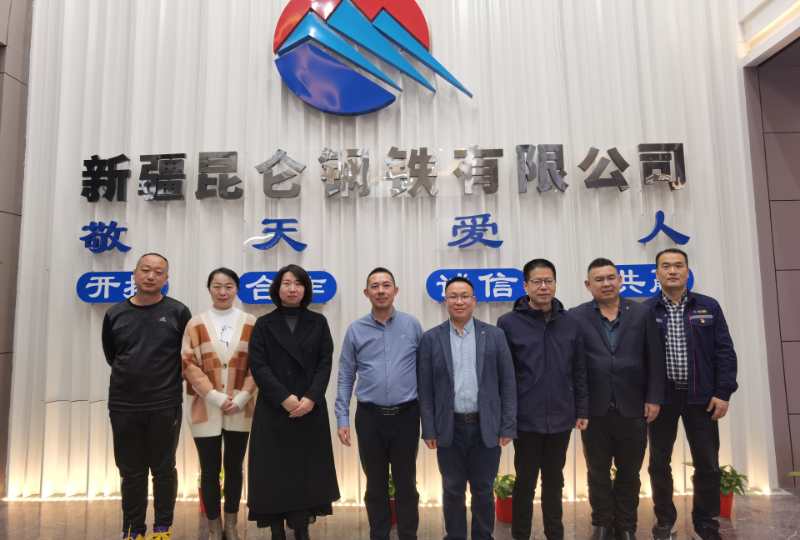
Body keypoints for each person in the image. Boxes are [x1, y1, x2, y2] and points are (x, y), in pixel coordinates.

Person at [646, 248, 738, 540]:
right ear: (657, 273)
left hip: (702, 397)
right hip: (662, 399)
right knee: (659, 463)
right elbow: (638, 359)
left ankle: (706, 521)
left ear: (687, 271)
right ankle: (664, 519)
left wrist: (723, 393)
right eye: (666, 266)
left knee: (707, 462)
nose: (672, 271)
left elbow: (725, 352)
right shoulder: (645, 311)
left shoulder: (708, 306)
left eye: (678, 265)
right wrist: (646, 396)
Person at [570, 258, 665, 540]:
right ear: (588, 285)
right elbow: (574, 365)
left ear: (620, 280)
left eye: (611, 277)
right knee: (597, 471)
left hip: (633, 407)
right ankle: (601, 523)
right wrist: (578, 406)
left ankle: (625, 525)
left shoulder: (641, 313)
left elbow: (655, 358)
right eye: (599, 279)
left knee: (630, 472)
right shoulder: (576, 317)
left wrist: (654, 398)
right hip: (594, 409)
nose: (606, 283)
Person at [417, 276, 517, 540]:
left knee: (483, 489)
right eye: (453, 296)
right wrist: (429, 429)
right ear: (445, 301)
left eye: (464, 296)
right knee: (452, 489)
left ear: (474, 300)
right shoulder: (431, 339)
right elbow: (425, 389)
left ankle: (483, 535)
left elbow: (508, 383)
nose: (459, 301)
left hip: (486, 425)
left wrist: (508, 425)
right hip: (449, 427)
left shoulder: (494, 335)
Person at [497, 259, 589, 540]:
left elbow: (579, 369)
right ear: (525, 286)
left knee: (554, 480)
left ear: (555, 284)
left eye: (548, 281)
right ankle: (521, 534)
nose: (543, 287)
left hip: (561, 415)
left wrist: (582, 409)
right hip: (526, 417)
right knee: (525, 482)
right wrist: (507, 418)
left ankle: (554, 533)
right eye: (537, 281)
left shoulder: (570, 322)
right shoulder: (509, 323)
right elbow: (504, 375)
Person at [102, 253, 192, 540]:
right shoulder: (115, 313)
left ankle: (162, 528)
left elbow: (187, 357)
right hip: (123, 404)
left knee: (164, 469)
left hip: (165, 403)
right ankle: (133, 529)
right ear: (135, 274)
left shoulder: (178, 312)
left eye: (158, 272)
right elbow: (112, 355)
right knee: (131, 471)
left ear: (166, 278)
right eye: (145, 270)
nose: (151, 276)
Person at [246, 264, 340, 540]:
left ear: (306, 289)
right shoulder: (263, 324)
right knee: (274, 473)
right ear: (277, 288)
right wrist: (284, 399)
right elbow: (258, 366)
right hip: (274, 410)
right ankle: (276, 529)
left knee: (305, 473)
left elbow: (325, 363)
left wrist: (310, 398)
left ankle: (302, 527)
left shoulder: (319, 322)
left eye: (298, 283)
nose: (292, 288)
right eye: (286, 283)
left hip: (309, 409)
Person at [335, 267, 423, 540]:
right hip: (370, 417)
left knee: (406, 482)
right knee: (375, 484)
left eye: (386, 285)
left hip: (406, 415)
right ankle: (379, 534)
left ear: (396, 290)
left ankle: (408, 534)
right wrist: (342, 418)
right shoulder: (355, 330)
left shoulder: (412, 325)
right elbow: (346, 375)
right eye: (375, 286)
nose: (381, 290)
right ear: (366, 293)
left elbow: (424, 372)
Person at [181, 268, 257, 540]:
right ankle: (213, 526)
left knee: (235, 468)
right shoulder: (195, 324)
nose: (223, 292)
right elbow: (188, 364)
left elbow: (259, 364)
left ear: (237, 289)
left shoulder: (251, 323)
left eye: (228, 286)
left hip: (241, 407)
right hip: (204, 406)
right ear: (209, 289)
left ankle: (232, 524)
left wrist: (243, 396)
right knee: (209, 469)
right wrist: (213, 395)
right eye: (217, 286)